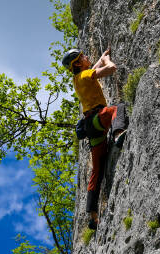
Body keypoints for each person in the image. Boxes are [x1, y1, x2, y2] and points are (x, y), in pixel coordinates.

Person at [62, 48, 128, 230]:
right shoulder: (84, 76)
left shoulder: (78, 78)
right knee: (117, 108)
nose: (85, 57)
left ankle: (92, 215)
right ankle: (117, 134)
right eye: (82, 57)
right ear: (77, 64)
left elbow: (94, 68)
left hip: (92, 127)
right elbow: (111, 69)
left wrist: (101, 57)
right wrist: (107, 61)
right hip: (97, 119)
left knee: (97, 170)